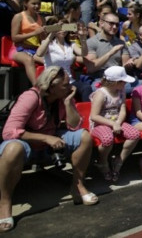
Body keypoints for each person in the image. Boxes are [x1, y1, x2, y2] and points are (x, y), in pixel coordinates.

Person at [1, 67, 98, 233]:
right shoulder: (30, 97)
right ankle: (4, 202)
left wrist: (68, 103)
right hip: (27, 143)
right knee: (12, 149)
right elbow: (9, 131)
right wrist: (46, 138)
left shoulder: (63, 97)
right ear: (51, 86)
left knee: (84, 136)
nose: (71, 87)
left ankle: (78, 186)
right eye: (66, 85)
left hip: (51, 139)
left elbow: (75, 125)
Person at [89, 66, 141, 182]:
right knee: (107, 139)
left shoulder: (120, 91)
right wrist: (113, 124)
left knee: (135, 134)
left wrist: (118, 122)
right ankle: (103, 162)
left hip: (116, 121)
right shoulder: (101, 94)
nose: (125, 84)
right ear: (116, 82)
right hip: (100, 123)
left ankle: (119, 160)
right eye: (123, 82)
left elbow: (122, 108)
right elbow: (94, 116)